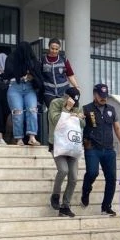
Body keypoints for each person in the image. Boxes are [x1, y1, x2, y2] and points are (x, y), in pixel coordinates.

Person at [80, 83, 120, 216]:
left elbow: (117, 128)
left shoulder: (111, 109)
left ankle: (106, 206)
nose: (103, 98)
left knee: (111, 178)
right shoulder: (86, 109)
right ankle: (86, 191)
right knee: (92, 173)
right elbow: (78, 124)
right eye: (101, 96)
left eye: (105, 96)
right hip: (92, 148)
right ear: (94, 95)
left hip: (108, 149)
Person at [47, 87, 85, 218]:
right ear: (66, 97)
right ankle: (55, 195)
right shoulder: (55, 103)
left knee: (73, 177)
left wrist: (78, 117)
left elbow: (83, 124)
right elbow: (56, 120)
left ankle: (65, 206)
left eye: (75, 103)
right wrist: (67, 109)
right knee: (63, 170)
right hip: (57, 144)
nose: (74, 104)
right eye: (72, 101)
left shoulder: (77, 107)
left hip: (72, 145)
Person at [3, 41, 44, 146]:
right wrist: (24, 73)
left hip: (29, 87)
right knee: (17, 112)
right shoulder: (12, 58)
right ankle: (19, 138)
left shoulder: (33, 60)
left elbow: (38, 75)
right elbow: (7, 73)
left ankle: (32, 137)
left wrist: (32, 76)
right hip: (15, 87)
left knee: (32, 110)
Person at [41, 38, 80, 109]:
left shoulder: (63, 59)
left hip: (64, 92)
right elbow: (39, 75)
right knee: (53, 111)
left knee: (65, 111)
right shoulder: (43, 60)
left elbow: (70, 75)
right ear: (49, 47)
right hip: (48, 92)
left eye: (56, 49)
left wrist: (76, 86)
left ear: (59, 49)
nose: (54, 51)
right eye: (52, 48)